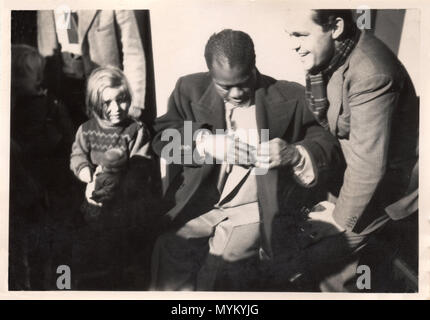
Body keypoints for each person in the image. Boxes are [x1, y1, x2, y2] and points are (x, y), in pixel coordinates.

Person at [150, 29, 341, 291]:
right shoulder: (189, 89)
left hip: (254, 209)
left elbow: (327, 143)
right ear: (210, 74)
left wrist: (295, 153)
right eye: (225, 87)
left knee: (218, 274)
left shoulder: (291, 96)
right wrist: (204, 142)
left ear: (254, 65)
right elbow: (161, 138)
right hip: (203, 203)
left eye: (244, 82)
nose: (238, 93)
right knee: (169, 252)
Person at [281, 9, 419, 291]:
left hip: (387, 192)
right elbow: (331, 125)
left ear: (336, 27)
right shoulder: (333, 55)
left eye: (301, 35)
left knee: (325, 258)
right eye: (290, 35)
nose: (293, 44)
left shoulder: (372, 73)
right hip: (350, 173)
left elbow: (370, 168)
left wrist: (338, 218)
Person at [69, 66, 152, 288]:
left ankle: (127, 278)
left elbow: (140, 163)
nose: (116, 108)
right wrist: (87, 177)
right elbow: (77, 156)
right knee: (97, 241)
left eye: (122, 99)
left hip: (126, 199)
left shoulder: (135, 129)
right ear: (95, 103)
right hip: (95, 197)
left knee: (126, 245)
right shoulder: (86, 130)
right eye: (107, 103)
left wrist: (123, 183)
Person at [37, 10, 147, 125]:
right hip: (67, 95)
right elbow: (46, 55)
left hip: (108, 94)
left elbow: (133, 52)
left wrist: (134, 105)